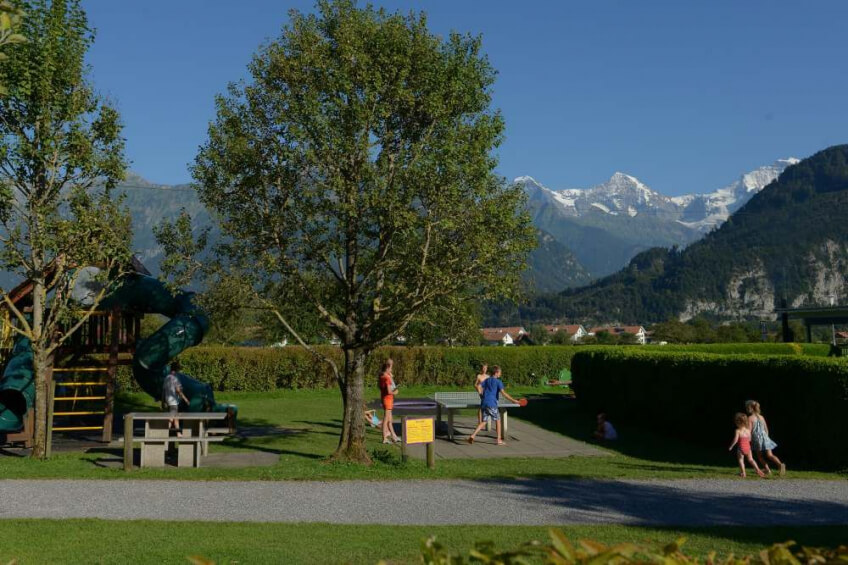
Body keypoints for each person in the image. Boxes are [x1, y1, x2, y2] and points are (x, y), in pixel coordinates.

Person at [467, 366, 520, 445]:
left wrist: (481, 395)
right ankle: (498, 440)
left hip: (484, 403)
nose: (500, 374)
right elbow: (504, 394)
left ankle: (472, 436)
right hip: (492, 404)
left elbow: (478, 386)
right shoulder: (498, 382)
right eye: (500, 372)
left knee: (484, 421)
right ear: (496, 373)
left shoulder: (487, 380)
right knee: (498, 420)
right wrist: (513, 400)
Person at [746, 400, 786, 476]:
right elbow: (766, 429)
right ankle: (780, 465)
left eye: (747, 408)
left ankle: (768, 470)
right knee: (770, 455)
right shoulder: (761, 417)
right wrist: (766, 437)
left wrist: (748, 439)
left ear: (750, 408)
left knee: (760, 456)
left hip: (757, 439)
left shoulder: (750, 418)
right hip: (765, 438)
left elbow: (749, 430)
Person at [729, 412, 765, 478]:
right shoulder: (748, 430)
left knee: (741, 460)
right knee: (751, 459)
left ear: (738, 422)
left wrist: (731, 446)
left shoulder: (738, 431)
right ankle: (758, 470)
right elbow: (750, 439)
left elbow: (735, 440)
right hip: (748, 448)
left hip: (741, 448)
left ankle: (743, 473)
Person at [162, 360, 189, 437]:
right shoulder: (175, 379)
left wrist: (163, 402)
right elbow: (178, 390)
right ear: (176, 369)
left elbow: (163, 391)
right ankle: (166, 433)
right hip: (173, 401)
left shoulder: (167, 378)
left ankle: (177, 433)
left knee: (175, 417)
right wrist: (185, 399)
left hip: (168, 401)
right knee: (172, 418)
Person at [379, 359, 400, 443]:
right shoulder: (386, 378)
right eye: (391, 368)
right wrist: (395, 392)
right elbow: (389, 391)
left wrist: (391, 377)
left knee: (390, 419)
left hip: (386, 399)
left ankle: (394, 436)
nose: (391, 370)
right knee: (386, 419)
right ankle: (384, 437)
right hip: (387, 399)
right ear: (387, 368)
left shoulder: (383, 376)